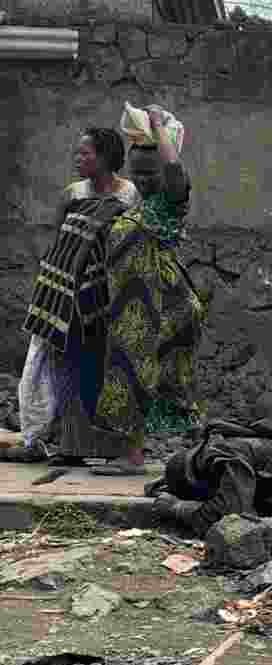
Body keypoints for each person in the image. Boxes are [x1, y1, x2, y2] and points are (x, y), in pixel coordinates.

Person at [67, 107, 207, 476]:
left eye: (150, 172)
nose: (142, 180)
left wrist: (159, 126)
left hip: (159, 304)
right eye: (137, 172)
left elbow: (175, 170)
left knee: (135, 374)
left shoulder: (170, 203)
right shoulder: (142, 206)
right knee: (140, 375)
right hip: (133, 307)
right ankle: (170, 456)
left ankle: (136, 458)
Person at [14, 128, 141, 465]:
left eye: (85, 154)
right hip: (67, 294)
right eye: (77, 153)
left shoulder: (129, 195)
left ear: (105, 157)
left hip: (105, 295)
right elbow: (61, 244)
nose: (78, 159)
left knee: (100, 366)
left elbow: (131, 243)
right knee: (66, 365)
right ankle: (70, 448)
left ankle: (112, 448)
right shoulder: (73, 194)